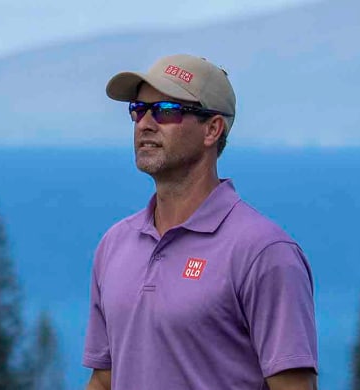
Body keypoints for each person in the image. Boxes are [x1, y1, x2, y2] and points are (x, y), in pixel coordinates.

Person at [83, 54, 318, 390]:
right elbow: (104, 379)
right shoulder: (115, 244)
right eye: (138, 110)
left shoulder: (264, 252)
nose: (145, 124)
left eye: (166, 111)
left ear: (212, 129)